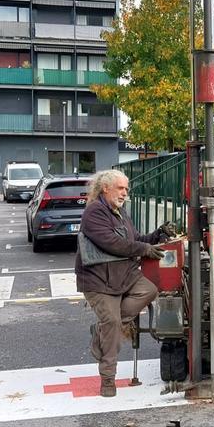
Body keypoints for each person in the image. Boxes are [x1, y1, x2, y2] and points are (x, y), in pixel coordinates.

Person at [75, 170, 175, 397]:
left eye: (126, 189)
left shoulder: (120, 212)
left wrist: (156, 235)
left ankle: (103, 331)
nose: (125, 193)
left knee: (149, 289)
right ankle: (108, 379)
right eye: (121, 188)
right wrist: (144, 249)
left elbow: (134, 239)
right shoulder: (94, 212)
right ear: (105, 188)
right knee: (111, 321)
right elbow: (113, 243)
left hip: (124, 276)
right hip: (99, 280)